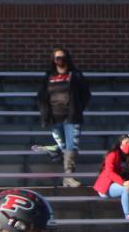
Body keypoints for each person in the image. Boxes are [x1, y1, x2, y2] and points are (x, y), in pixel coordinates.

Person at [33, 47, 91, 185]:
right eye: (57, 58)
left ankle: (69, 176)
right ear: (53, 60)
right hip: (54, 116)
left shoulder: (75, 75)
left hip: (71, 116)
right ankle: (55, 150)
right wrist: (44, 113)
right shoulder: (49, 76)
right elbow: (41, 96)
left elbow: (86, 94)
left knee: (72, 146)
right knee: (64, 146)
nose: (60, 60)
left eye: (63, 57)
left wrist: (77, 108)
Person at [93, 134, 129, 220]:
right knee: (125, 188)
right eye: (126, 143)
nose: (128, 145)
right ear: (120, 144)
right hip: (107, 187)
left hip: (122, 184)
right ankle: (128, 215)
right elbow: (109, 172)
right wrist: (123, 183)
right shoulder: (112, 154)